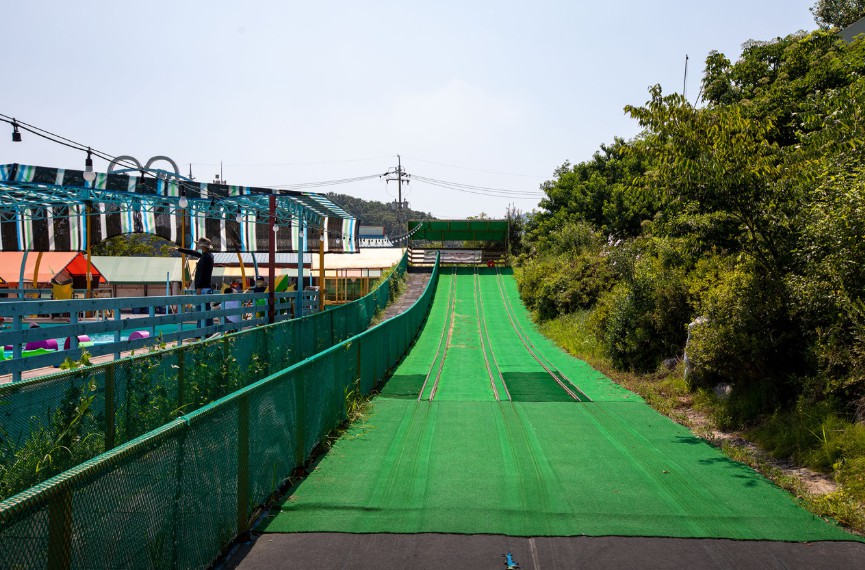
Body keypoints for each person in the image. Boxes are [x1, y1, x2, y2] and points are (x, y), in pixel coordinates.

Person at [175, 237, 216, 327]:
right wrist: (179, 249)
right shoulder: (208, 256)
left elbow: (202, 273)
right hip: (206, 287)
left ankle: (201, 331)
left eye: (198, 245)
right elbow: (194, 253)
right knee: (206, 309)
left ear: (202, 246)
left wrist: (199, 288)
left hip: (202, 288)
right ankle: (208, 330)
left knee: (201, 310)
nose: (197, 246)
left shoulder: (205, 257)